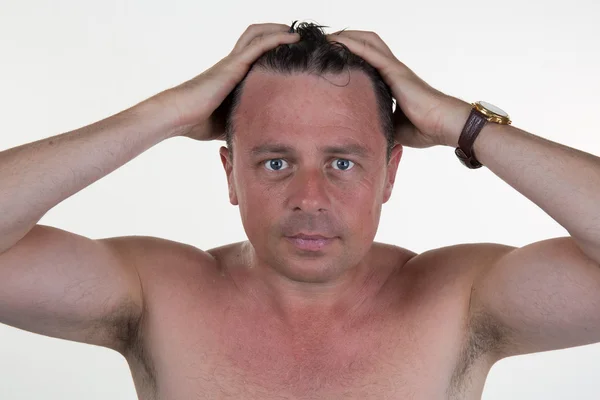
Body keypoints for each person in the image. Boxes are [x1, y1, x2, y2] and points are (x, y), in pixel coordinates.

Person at [1, 20, 599, 400]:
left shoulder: (461, 299)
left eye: (342, 163)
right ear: (230, 173)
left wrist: (463, 125)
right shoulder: (153, 292)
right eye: (274, 163)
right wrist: (166, 113)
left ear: (389, 173)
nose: (310, 198)